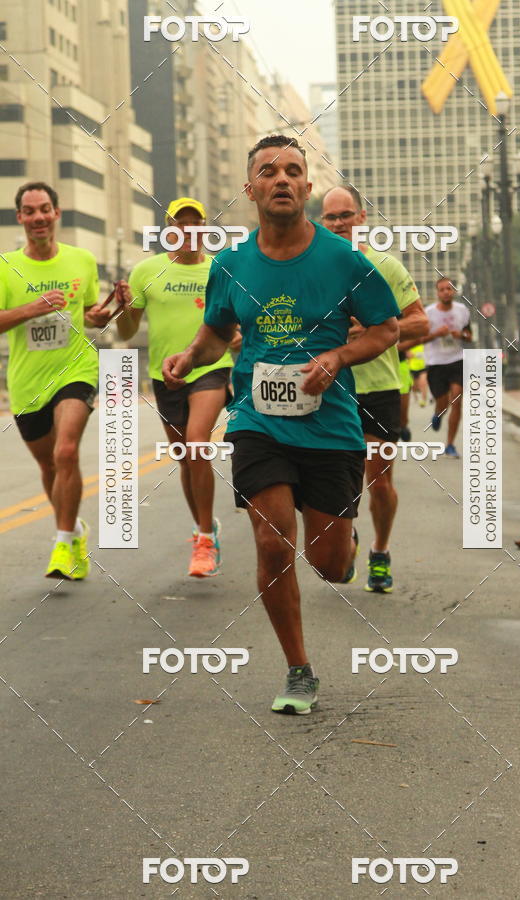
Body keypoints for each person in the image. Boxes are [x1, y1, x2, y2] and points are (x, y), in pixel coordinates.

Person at [162, 135, 400, 715]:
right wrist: (192, 358)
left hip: (329, 427)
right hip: (258, 422)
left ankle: (346, 543)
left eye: (294, 170)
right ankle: (298, 670)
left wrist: (339, 357)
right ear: (252, 190)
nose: (283, 179)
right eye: (269, 171)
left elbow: (386, 329)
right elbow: (218, 329)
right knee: (272, 544)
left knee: (332, 565)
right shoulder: (233, 264)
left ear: (307, 188)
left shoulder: (344, 261)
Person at [116, 198, 234, 577]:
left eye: (195, 224)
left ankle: (203, 539)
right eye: (180, 224)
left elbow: (240, 316)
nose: (188, 231)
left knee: (198, 443)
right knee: (186, 456)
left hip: (212, 369)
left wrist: (239, 335)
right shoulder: (146, 271)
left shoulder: (220, 269)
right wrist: (122, 311)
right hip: (166, 376)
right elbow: (126, 332)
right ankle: (206, 525)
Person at [0, 181, 111, 578]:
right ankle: (75, 529)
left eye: (44, 208)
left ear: (57, 213)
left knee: (66, 452)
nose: (38, 217)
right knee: (50, 467)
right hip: (28, 382)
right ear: (20, 218)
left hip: (75, 370)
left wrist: (99, 315)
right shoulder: (5, 266)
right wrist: (31, 308)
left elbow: (88, 312)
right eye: (29, 211)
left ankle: (62, 543)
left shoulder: (81, 259)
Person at [321, 185, 427, 592]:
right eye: (330, 218)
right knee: (333, 481)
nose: (339, 224)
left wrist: (374, 330)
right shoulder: (315, 268)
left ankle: (380, 551)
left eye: (345, 215)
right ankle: (345, 537)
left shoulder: (386, 267)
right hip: (331, 389)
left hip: (380, 387)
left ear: (362, 218)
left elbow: (420, 322)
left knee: (379, 483)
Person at [421, 277, 472, 458]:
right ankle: (438, 414)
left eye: (449, 289)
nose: (446, 292)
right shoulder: (428, 313)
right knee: (443, 404)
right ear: (437, 293)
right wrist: (436, 334)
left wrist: (462, 335)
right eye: (442, 289)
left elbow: (469, 335)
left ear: (453, 291)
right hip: (436, 363)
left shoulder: (462, 311)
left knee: (456, 399)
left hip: (457, 360)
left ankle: (450, 444)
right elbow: (420, 339)